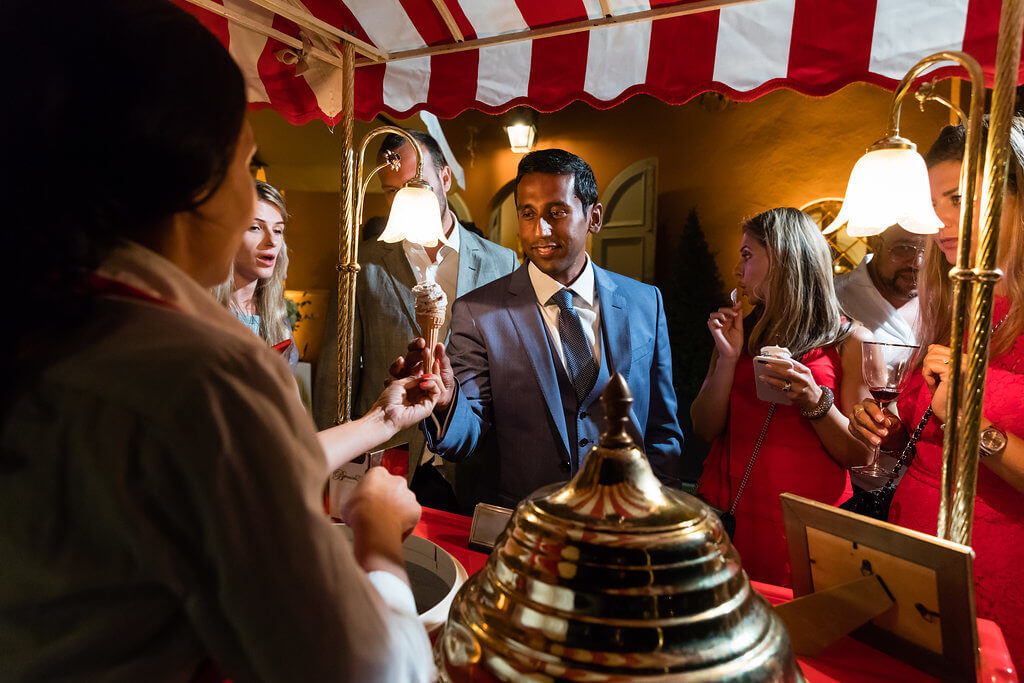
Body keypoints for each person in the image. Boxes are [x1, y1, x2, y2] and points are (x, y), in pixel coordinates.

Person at [0, 1, 442, 680]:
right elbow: (369, 668)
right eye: (246, 163)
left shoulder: (53, 322)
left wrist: (383, 419)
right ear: (195, 183)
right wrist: (377, 533)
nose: (257, 216)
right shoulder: (203, 375)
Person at [394, 148, 684, 508]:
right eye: (527, 214)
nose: (539, 230)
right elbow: (469, 440)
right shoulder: (479, 312)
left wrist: (659, 517)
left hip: (625, 524)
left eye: (556, 212)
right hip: (525, 529)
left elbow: (662, 431)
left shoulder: (645, 303)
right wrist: (445, 401)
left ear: (594, 217)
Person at [848, 120, 1024, 671]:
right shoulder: (954, 309)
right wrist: (895, 429)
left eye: (959, 198)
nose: (941, 222)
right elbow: (929, 449)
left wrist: (977, 428)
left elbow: (971, 429)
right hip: (916, 563)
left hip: (998, 578)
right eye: (931, 203)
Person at [315, 130, 518, 513]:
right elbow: (333, 376)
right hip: (385, 461)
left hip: (469, 462)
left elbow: (509, 374)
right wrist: (333, 471)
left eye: (416, 185)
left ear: (444, 179)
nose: (403, 198)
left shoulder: (501, 263)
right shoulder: (361, 265)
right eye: (392, 191)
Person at [691, 207, 873, 587]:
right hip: (729, 514)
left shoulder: (848, 340)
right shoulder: (740, 330)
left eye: (747, 255)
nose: (737, 270)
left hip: (803, 527)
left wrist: (814, 399)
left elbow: (862, 454)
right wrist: (727, 358)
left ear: (785, 257)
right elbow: (704, 427)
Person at [834, 223, 925, 492]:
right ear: (875, 241)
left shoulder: (941, 300)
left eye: (926, 251)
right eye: (904, 248)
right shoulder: (837, 296)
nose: (917, 262)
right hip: (853, 475)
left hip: (919, 473)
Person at [214, 179, 299, 366]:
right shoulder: (202, 309)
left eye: (278, 230)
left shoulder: (276, 313)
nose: (272, 241)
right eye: (255, 227)